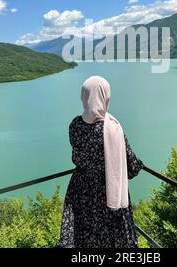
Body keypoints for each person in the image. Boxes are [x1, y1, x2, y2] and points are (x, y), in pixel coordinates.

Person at [58, 76, 144, 248]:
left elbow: (76, 157)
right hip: (108, 193)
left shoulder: (75, 125)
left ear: (85, 96)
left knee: (83, 237)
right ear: (106, 97)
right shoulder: (113, 129)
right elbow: (132, 166)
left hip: (81, 191)